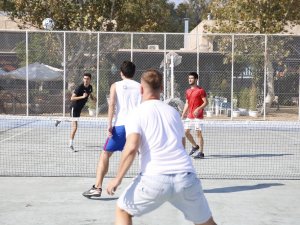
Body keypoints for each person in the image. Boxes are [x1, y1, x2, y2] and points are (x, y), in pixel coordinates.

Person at [106, 69, 217, 225]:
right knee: (207, 222)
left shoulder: (136, 113)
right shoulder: (173, 113)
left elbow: (131, 148)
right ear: (162, 89)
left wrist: (117, 179)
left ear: (141, 89)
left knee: (122, 210)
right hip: (186, 178)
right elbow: (182, 145)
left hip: (154, 179)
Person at [82, 61, 141, 198]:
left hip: (120, 127)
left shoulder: (115, 86)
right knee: (143, 155)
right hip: (136, 128)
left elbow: (112, 105)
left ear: (121, 73)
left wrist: (109, 124)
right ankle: (149, 187)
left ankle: (97, 187)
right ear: (133, 73)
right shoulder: (141, 87)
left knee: (105, 154)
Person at [55, 72, 96, 152]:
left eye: (87, 79)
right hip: (74, 107)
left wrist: (93, 98)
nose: (86, 80)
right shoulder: (79, 88)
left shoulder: (90, 87)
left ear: (90, 80)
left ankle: (60, 119)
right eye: (84, 78)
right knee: (75, 127)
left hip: (79, 109)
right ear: (83, 79)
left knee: (73, 122)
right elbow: (72, 98)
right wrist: (82, 97)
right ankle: (70, 144)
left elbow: (90, 94)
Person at [181, 72, 208, 159]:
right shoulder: (188, 91)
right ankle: (195, 146)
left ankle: (201, 152)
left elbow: (206, 102)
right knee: (186, 132)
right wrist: (183, 113)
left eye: (192, 78)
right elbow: (187, 103)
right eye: (189, 78)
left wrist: (198, 109)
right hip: (190, 116)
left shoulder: (201, 91)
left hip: (198, 117)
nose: (190, 79)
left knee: (198, 133)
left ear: (196, 79)